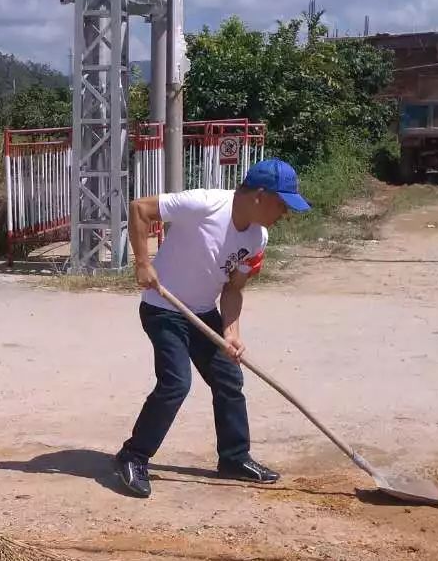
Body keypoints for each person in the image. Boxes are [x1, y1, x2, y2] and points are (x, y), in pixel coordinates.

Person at [114, 158, 310, 498]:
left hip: (203, 314)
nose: (285, 214)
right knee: (176, 383)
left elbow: (233, 288)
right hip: (164, 308)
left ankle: (234, 458)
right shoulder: (206, 204)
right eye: (282, 204)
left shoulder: (258, 237)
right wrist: (143, 263)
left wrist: (232, 332)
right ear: (260, 196)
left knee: (228, 378)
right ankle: (132, 456)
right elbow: (140, 208)